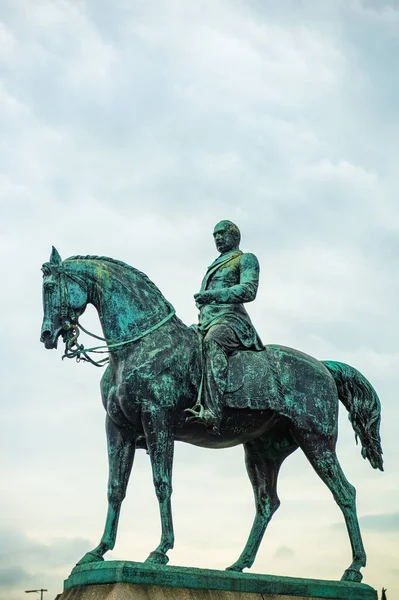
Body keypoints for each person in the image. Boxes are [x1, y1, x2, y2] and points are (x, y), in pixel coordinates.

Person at [187, 220, 264, 433]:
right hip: (207, 322)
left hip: (232, 321)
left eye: (222, 233)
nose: (218, 238)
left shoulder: (245, 259)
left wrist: (212, 296)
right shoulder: (215, 263)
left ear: (234, 236)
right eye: (215, 235)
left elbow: (249, 290)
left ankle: (213, 410)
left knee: (213, 342)